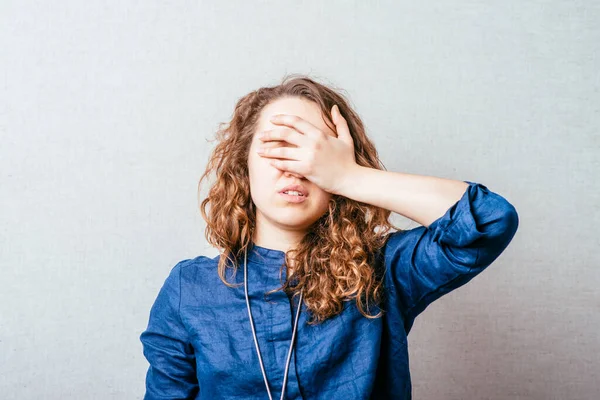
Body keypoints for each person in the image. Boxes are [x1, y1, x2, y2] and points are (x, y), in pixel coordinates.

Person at [139, 75, 519, 399]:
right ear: (244, 165)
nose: (297, 168)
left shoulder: (383, 272)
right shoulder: (189, 289)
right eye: (280, 148)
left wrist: (347, 177)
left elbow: (489, 220)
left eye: (315, 151)